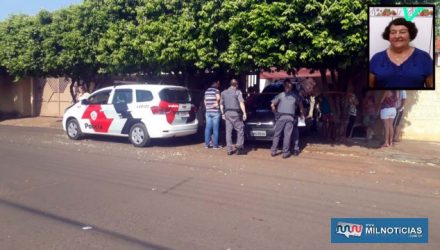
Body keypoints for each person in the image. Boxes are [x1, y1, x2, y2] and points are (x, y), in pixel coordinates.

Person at [369, 18, 433, 89]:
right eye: (393, 32)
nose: (397, 36)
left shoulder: (424, 58)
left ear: (410, 35)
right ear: (388, 36)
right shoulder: (376, 58)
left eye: (402, 32)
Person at [270, 79, 304, 159]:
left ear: (284, 87)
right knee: (287, 135)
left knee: (277, 134)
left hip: (281, 117)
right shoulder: (295, 96)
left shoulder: (281, 95)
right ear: (291, 87)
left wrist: (275, 113)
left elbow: (272, 105)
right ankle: (285, 153)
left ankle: (273, 151)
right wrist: (302, 113)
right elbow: (301, 105)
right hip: (290, 117)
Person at [220, 79, 247, 155]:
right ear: (237, 85)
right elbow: (241, 103)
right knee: (240, 129)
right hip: (235, 114)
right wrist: (244, 113)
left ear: (230, 84)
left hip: (227, 113)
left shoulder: (223, 93)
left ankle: (229, 149)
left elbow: (221, 104)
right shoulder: (238, 92)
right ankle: (239, 147)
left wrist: (222, 113)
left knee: (228, 132)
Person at [204, 80, 221, 149]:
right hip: (215, 112)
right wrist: (217, 103)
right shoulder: (216, 91)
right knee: (215, 129)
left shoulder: (206, 91)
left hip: (208, 111)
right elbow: (219, 98)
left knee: (207, 128)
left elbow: (205, 100)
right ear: (215, 84)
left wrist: (207, 107)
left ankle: (206, 144)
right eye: (218, 84)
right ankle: (215, 145)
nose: (218, 85)